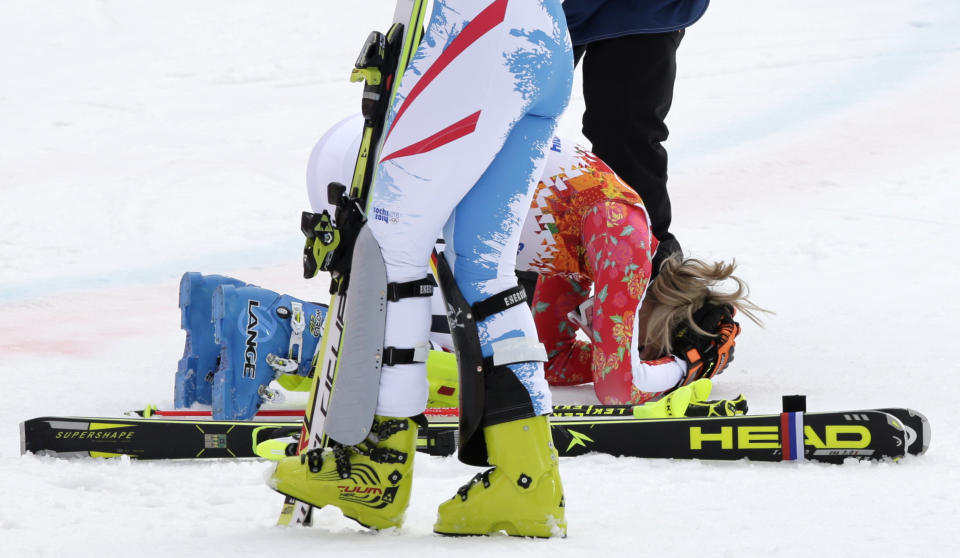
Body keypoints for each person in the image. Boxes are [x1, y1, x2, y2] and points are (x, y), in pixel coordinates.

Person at [269, 0, 574, 538]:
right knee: (485, 270)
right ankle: (527, 479)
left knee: (389, 249)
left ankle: (372, 469)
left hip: (479, 34)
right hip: (546, 37)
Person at [308, 117, 765, 412]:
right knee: (434, 345)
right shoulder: (626, 249)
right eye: (646, 348)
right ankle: (285, 333)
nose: (635, 350)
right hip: (383, 169)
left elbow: (551, 359)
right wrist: (682, 368)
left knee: (430, 334)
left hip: (373, 155)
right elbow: (618, 391)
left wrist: (623, 360)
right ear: (665, 322)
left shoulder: (601, 251)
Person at [561, 0, 710, 272]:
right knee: (514, 128)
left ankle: (652, 270)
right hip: (548, 15)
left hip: (637, 12)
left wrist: (557, 20)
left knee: (624, 138)